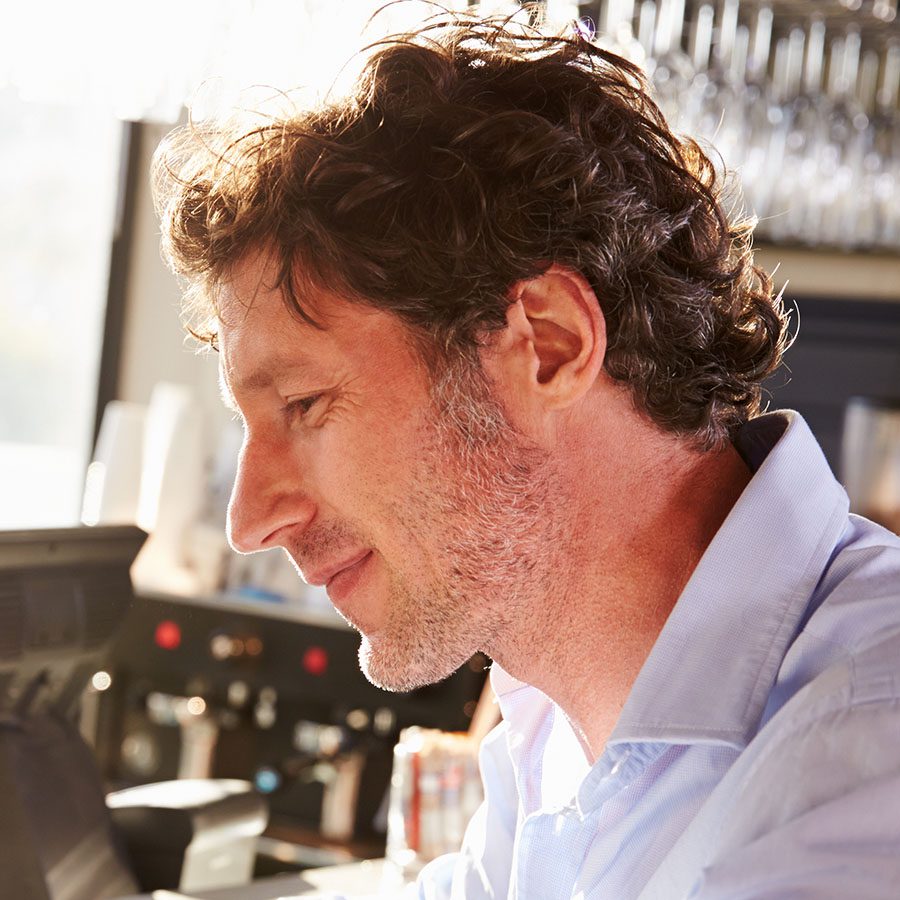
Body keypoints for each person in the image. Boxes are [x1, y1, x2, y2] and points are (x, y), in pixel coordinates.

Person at [153, 13, 900, 899]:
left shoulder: (864, 756)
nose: (249, 519)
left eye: (306, 406)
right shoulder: (557, 715)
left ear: (547, 346)